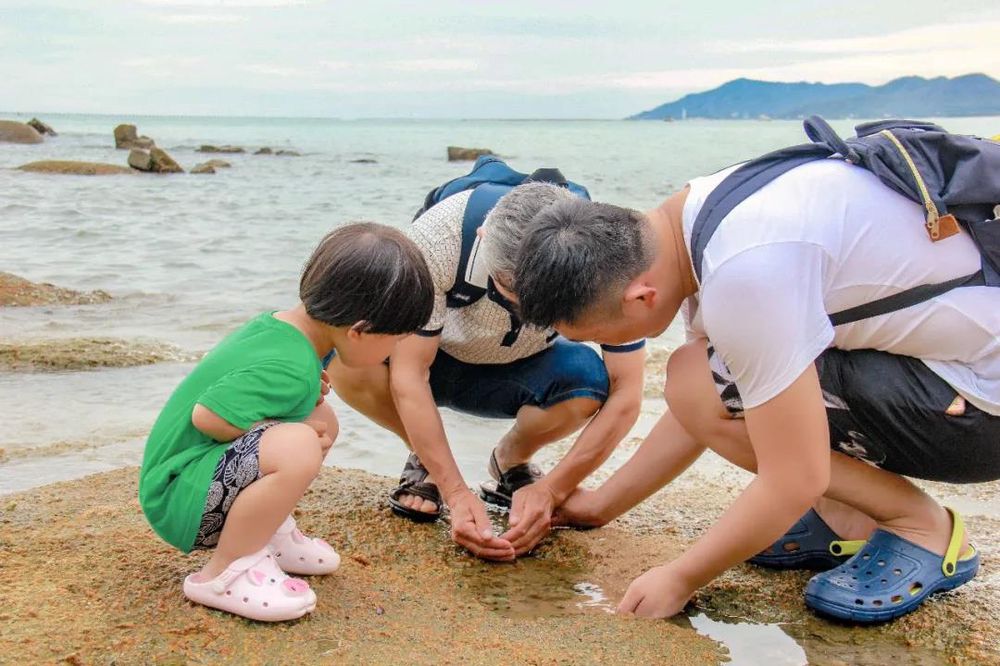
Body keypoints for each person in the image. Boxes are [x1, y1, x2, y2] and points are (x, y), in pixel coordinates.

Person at [512, 157, 1000, 621]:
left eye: (592, 336)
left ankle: (921, 527)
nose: (601, 346)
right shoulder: (689, 222)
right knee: (702, 376)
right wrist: (599, 506)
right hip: (945, 372)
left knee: (701, 377)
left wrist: (682, 578)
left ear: (641, 297)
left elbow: (793, 476)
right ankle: (847, 514)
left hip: (982, 412)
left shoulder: (746, 273)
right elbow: (704, 402)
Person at [328, 182, 646, 561]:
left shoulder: (602, 254)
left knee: (588, 382)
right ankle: (425, 461)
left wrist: (554, 490)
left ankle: (511, 461)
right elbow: (410, 376)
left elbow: (627, 392)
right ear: (484, 239)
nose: (532, 310)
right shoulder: (436, 240)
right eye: (516, 291)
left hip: (520, 368)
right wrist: (456, 492)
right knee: (349, 359)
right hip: (436, 360)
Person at [139, 223, 434, 621]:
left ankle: (264, 529)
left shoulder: (289, 330)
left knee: (321, 419)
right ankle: (225, 571)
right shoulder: (293, 367)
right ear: (360, 331)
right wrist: (275, 430)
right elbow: (208, 416)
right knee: (298, 443)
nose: (397, 349)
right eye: (396, 339)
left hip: (190, 480)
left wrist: (292, 415)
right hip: (180, 501)